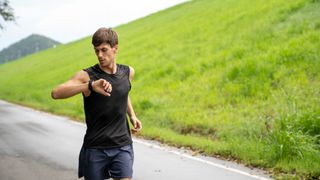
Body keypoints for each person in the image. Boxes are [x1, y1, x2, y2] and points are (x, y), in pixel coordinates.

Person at [51, 27, 142, 180]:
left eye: (104, 50)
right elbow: (56, 93)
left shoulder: (128, 72)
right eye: (96, 50)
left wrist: (132, 115)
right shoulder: (87, 75)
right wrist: (90, 86)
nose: (100, 55)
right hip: (95, 148)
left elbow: (123, 93)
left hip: (122, 145)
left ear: (115, 49)